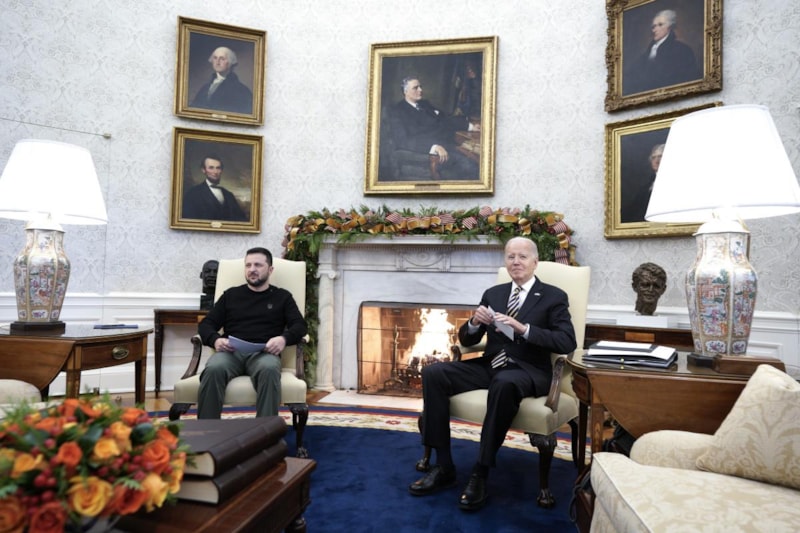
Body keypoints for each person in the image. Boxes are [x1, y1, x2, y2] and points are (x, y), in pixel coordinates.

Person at [409, 237, 576, 511]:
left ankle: (481, 471)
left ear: (535, 262)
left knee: (504, 382)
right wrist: (475, 322)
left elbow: (567, 341)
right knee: (434, 373)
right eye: (510, 257)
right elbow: (468, 338)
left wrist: (524, 329)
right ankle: (444, 466)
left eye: (522, 256)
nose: (516, 262)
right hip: (492, 365)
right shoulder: (494, 293)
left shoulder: (553, 296)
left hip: (528, 370)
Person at [197, 247, 307, 418]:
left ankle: (265, 430)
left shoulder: (282, 297)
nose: (252, 269)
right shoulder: (231, 295)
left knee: (269, 369)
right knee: (213, 368)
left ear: (270, 269)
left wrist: (283, 339)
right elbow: (206, 324)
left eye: (258, 265)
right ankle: (208, 430)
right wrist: (215, 340)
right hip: (231, 353)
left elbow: (300, 326)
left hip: (264, 354)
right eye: (248, 265)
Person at [387, 76, 480, 180]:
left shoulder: (424, 104)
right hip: (429, 154)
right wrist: (433, 147)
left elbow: (445, 119)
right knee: (472, 166)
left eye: (420, 87)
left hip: (448, 145)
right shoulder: (398, 111)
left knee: (475, 157)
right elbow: (403, 140)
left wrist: (470, 126)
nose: (420, 90)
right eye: (415, 88)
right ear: (406, 92)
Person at [624, 9, 702, 95]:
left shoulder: (682, 50)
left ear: (669, 27)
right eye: (653, 26)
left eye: (660, 25)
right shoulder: (647, 53)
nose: (655, 30)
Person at [182, 155, 248, 222]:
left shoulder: (229, 195)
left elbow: (241, 220)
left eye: (218, 168)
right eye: (211, 168)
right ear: (203, 170)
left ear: (221, 170)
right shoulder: (192, 194)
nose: (215, 172)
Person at [190, 46, 253, 114]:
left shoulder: (241, 90)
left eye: (222, 59)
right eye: (215, 58)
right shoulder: (205, 88)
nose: (217, 62)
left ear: (230, 62)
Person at [621, 143, 664, 223]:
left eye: (660, 156)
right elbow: (634, 207)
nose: (656, 161)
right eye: (653, 157)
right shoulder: (647, 185)